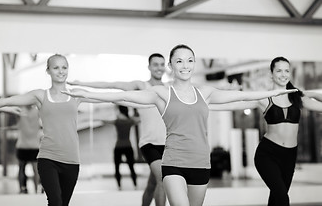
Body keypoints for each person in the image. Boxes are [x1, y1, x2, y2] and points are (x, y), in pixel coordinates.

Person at [63, 45, 297, 206]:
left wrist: (274, 91)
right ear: (171, 66)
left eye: (189, 60)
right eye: (179, 61)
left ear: (194, 64)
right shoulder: (160, 93)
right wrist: (87, 93)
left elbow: (244, 97)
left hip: (200, 163)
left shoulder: (204, 92)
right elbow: (123, 97)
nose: (185, 65)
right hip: (173, 162)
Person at [0, 54, 112, 206]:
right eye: (56, 67)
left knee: (62, 203)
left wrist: (140, 99)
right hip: (48, 157)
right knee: (55, 201)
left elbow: (108, 97)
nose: (61, 71)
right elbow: (6, 101)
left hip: (72, 160)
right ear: (48, 71)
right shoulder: (40, 96)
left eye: (64, 67)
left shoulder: (76, 94)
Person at [209, 56, 322, 206]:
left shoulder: (297, 98)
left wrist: (312, 94)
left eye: (287, 70)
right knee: (282, 198)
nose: (283, 74)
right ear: (271, 74)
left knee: (276, 199)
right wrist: (207, 106)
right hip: (268, 154)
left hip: (289, 155)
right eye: (279, 71)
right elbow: (234, 104)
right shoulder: (264, 98)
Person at [68, 53, 167, 206]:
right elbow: (112, 85)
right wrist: (82, 84)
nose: (159, 68)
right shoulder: (141, 86)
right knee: (162, 179)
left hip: (167, 144)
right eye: (155, 64)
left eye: (162, 64)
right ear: (149, 67)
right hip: (149, 143)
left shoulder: (169, 89)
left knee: (153, 183)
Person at [99, 105, 139, 190]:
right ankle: (135, 185)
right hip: (128, 146)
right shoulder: (129, 121)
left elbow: (104, 121)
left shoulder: (117, 121)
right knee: (131, 167)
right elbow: (138, 120)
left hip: (118, 147)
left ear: (120, 111)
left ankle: (119, 186)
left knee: (117, 168)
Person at [15, 104, 42, 194]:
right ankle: (36, 190)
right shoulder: (37, 111)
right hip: (34, 145)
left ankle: (22, 189)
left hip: (22, 144)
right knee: (35, 169)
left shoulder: (19, 111)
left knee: (21, 168)